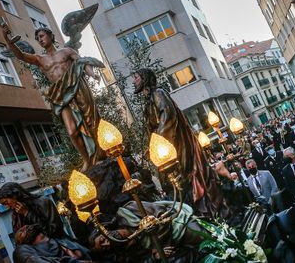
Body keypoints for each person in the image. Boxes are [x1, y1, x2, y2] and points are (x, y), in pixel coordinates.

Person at [1, 25, 103, 172]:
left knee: (91, 122)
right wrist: (7, 39)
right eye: (37, 38)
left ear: (50, 36)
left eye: (41, 36)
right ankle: (86, 160)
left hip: (77, 88)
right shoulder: (40, 59)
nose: (39, 40)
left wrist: (92, 74)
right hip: (61, 96)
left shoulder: (67, 51)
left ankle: (100, 154)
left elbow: (83, 63)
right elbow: (21, 56)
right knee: (72, 131)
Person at [134, 68, 226, 218]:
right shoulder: (148, 102)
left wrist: (159, 140)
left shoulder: (158, 94)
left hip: (175, 145)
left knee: (184, 175)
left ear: (144, 79)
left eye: (136, 77)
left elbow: (168, 115)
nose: (134, 81)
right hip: (164, 148)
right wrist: (150, 145)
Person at [88, 201, 203, 262]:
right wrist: (156, 256)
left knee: (203, 235)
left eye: (102, 240)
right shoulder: (128, 251)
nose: (107, 243)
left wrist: (158, 246)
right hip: (173, 250)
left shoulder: (127, 211)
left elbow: (161, 214)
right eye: (104, 248)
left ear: (103, 230)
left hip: (177, 227)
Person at [0, 182, 65, 239]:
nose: (7, 207)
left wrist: (27, 213)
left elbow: (55, 231)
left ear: (14, 195)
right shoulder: (15, 216)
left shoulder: (43, 202)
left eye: (6, 202)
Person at [13, 224, 92, 263]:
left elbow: (82, 253)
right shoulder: (23, 251)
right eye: (21, 232)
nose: (25, 228)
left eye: (26, 227)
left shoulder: (58, 240)